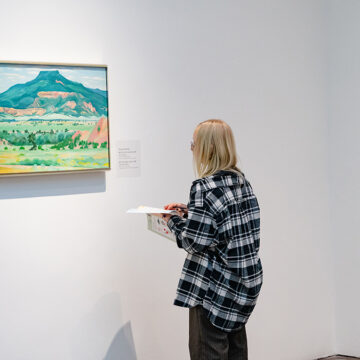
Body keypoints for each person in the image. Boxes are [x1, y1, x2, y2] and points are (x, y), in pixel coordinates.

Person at [161, 119, 263, 360]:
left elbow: (193, 242)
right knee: (236, 352)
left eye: (193, 144)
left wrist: (171, 220)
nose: (192, 149)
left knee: (208, 352)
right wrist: (191, 211)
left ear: (206, 148)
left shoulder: (204, 187)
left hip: (213, 288)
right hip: (242, 284)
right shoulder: (241, 181)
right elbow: (228, 223)